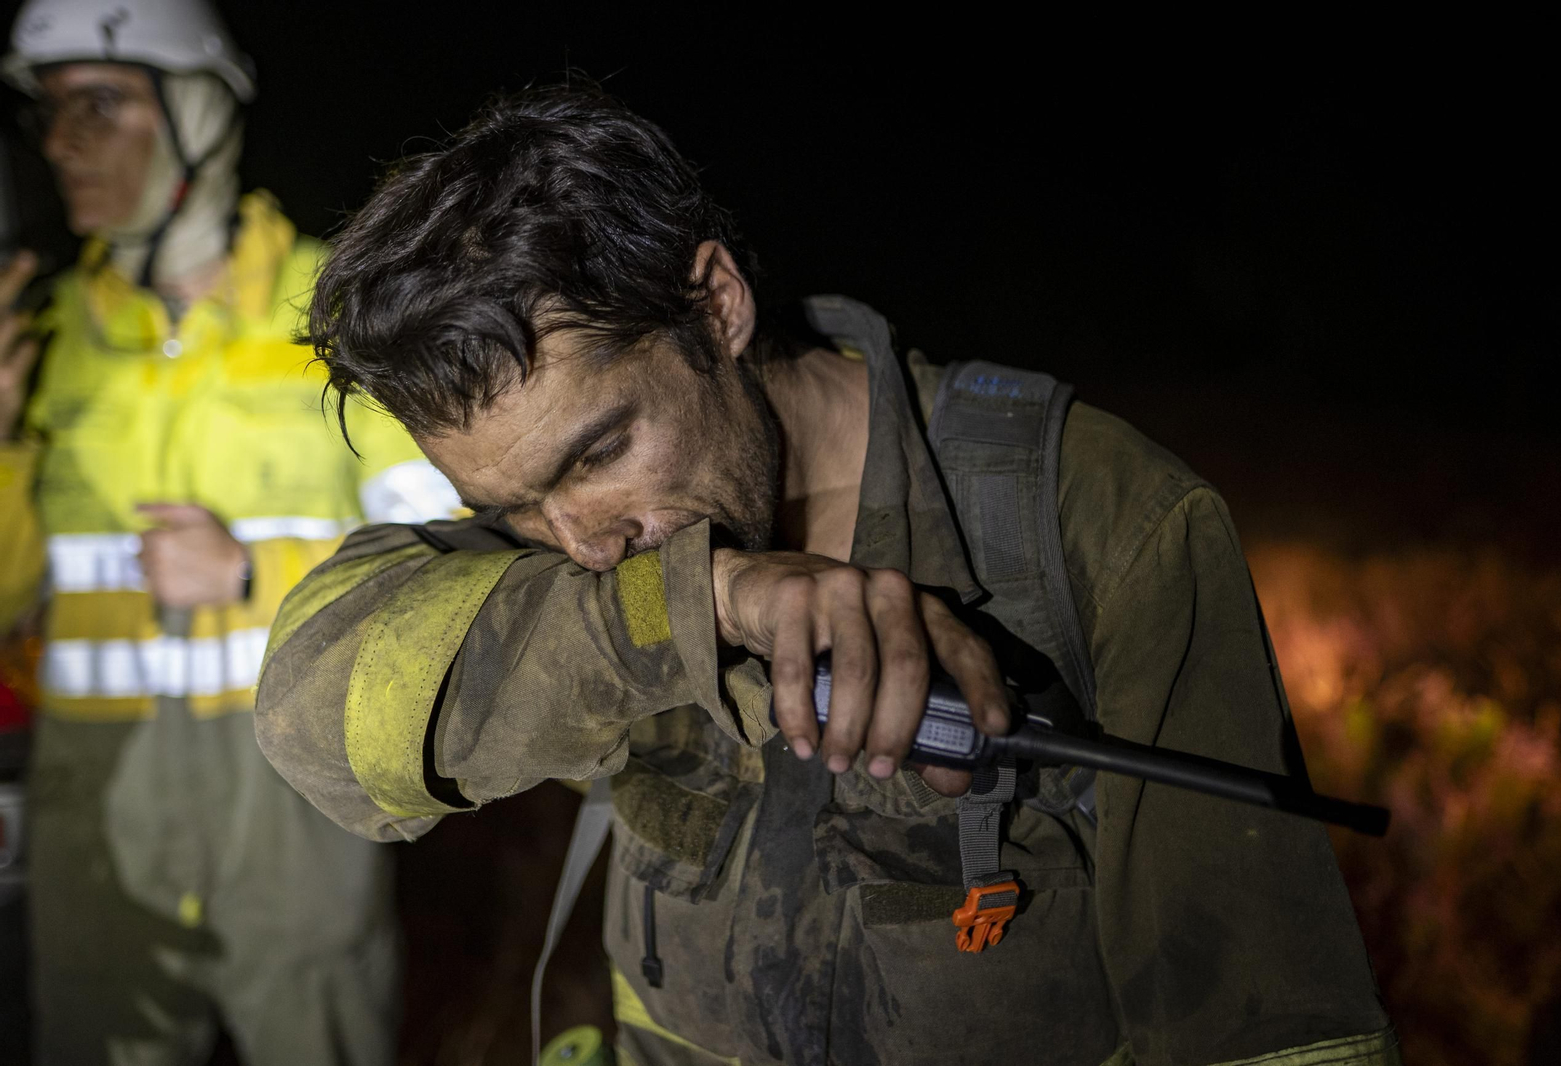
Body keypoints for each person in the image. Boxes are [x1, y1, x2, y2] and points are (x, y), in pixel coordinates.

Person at [255, 81, 1401, 1066]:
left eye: (601, 451)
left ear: (716, 305)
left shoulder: (1089, 516)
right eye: (504, 507)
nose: (583, 541)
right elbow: (318, 721)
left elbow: (1267, 1018)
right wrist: (700, 599)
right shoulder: (573, 544)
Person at [0, 0, 459, 1061]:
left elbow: (456, 552)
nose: (64, 144)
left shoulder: (338, 311)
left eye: (101, 105)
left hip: (291, 814)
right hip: (102, 836)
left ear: (199, 111)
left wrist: (257, 570)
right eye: (51, 114)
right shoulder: (43, 337)